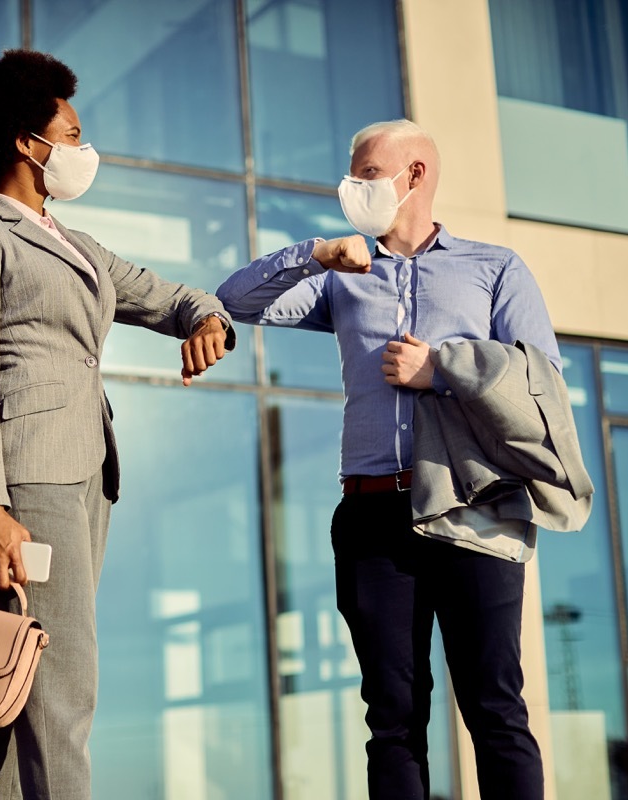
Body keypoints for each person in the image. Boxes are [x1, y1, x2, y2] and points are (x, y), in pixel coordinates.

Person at [216, 119, 567, 799]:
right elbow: (236, 301)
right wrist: (315, 255)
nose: (353, 186)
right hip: (373, 514)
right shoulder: (343, 278)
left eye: (367, 172)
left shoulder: (494, 268)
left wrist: (440, 369)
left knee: (495, 710)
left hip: (478, 509)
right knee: (394, 719)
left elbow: (541, 381)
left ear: (414, 176)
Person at [0, 49, 235, 800]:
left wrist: (208, 317)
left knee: (20, 681)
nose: (81, 149)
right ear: (25, 143)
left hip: (89, 476)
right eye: (70, 135)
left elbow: (170, 297)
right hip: (29, 478)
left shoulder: (78, 245)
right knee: (63, 682)